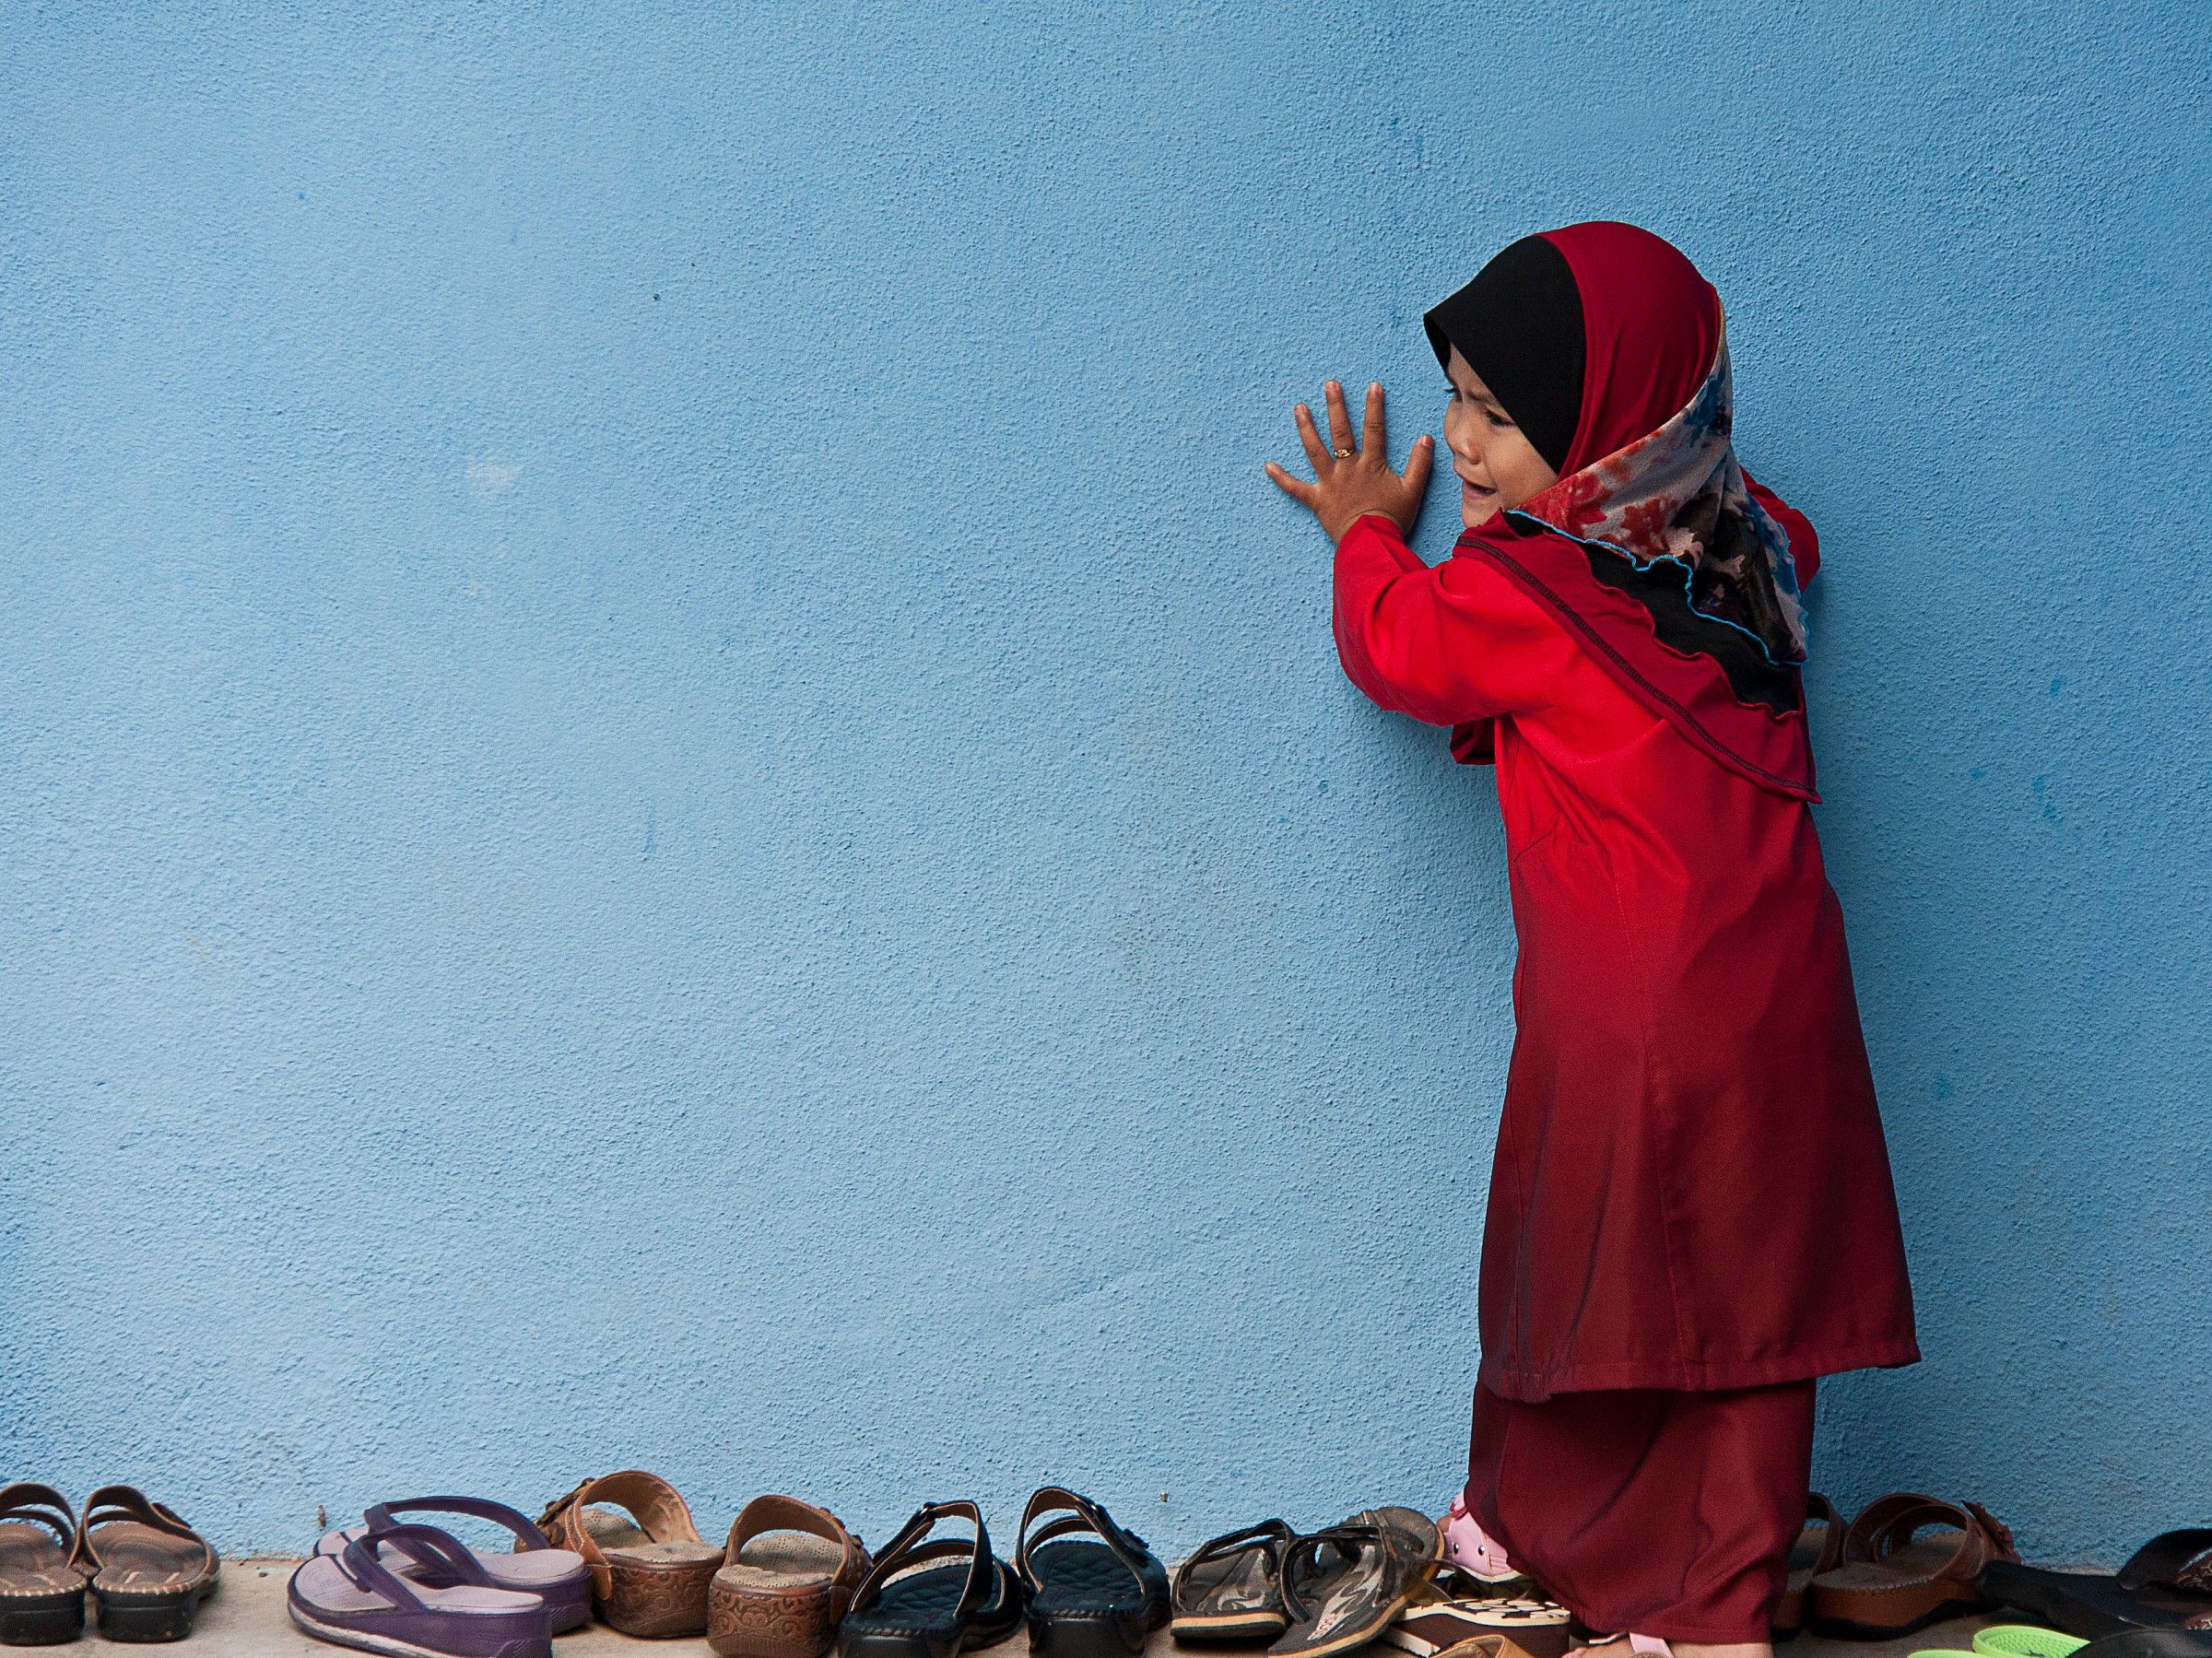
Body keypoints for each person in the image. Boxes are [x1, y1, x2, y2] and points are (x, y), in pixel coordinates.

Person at [1264, 222, 1918, 1658]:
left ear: (1615, 428)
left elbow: (1399, 648)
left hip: (1627, 1003)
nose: (1465, 442)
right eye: (1459, 402)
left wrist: (1371, 531)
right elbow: (1766, 515)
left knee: (1582, 1258)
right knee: (1759, 1299)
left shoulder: (1522, 594)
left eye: (1502, 419)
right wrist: (1625, 468)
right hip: (1784, 986)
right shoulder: (1761, 551)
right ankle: (1718, 1593)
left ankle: (1576, 1553)